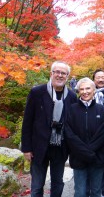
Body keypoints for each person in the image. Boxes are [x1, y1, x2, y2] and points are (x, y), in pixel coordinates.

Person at [21, 61, 78, 197]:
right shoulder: (37, 92)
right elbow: (27, 121)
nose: (59, 75)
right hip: (38, 146)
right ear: (51, 74)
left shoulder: (71, 96)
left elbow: (73, 124)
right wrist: (26, 148)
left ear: (67, 76)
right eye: (56, 72)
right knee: (37, 185)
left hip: (60, 146)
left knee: (58, 183)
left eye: (63, 73)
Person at [65, 77, 104, 197]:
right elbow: (69, 135)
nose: (85, 92)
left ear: (94, 90)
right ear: (78, 91)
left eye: (88, 88)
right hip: (78, 158)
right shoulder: (72, 110)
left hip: (97, 157)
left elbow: (103, 134)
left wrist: (89, 151)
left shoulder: (102, 110)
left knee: (96, 191)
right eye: (82, 89)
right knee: (80, 192)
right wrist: (84, 152)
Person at [92, 69, 104, 197]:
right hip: (92, 135)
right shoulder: (87, 93)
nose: (100, 79)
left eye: (103, 77)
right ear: (94, 80)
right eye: (98, 77)